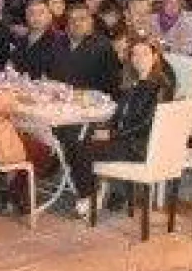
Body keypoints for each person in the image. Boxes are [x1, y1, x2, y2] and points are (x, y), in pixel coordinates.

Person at [66, 35, 177, 218]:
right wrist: (106, 130)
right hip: (128, 140)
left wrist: (112, 134)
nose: (139, 59)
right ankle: (94, 192)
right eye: (135, 54)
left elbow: (146, 124)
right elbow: (121, 116)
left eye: (145, 54)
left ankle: (89, 197)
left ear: (155, 56)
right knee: (77, 138)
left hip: (140, 147)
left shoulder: (160, 86)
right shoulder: (133, 83)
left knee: (81, 147)